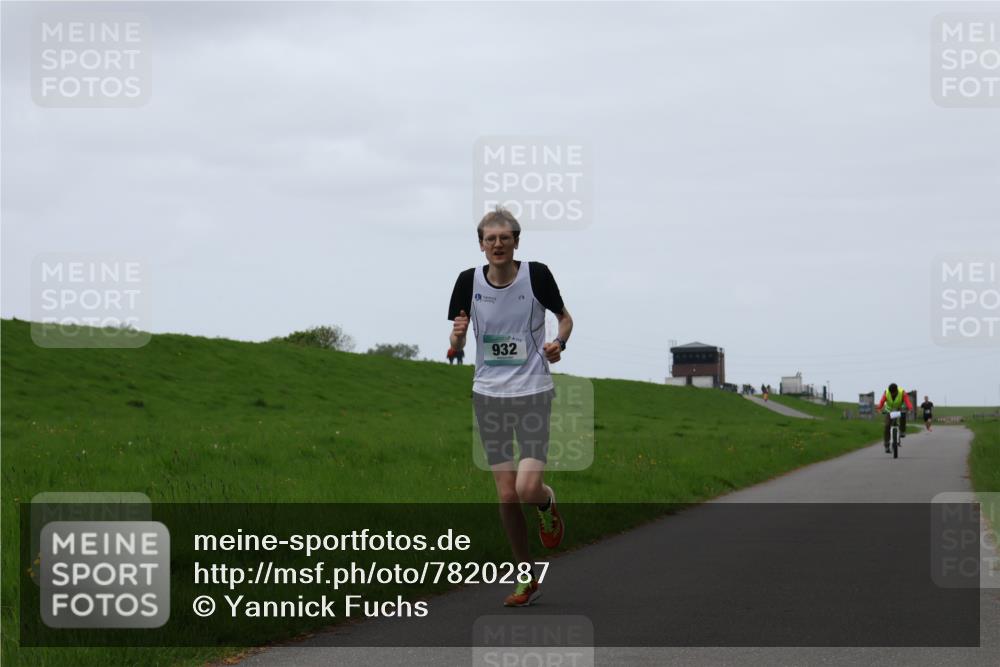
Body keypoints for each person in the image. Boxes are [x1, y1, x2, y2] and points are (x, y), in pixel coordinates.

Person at [448, 205, 573, 607]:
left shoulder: (536, 275)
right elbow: (459, 343)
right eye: (490, 239)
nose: (497, 244)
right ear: (481, 245)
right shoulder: (467, 282)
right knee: (505, 495)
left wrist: (559, 342)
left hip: (533, 390)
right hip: (489, 395)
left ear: (516, 241)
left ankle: (546, 504)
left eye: (505, 238)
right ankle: (526, 574)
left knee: (527, 487)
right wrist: (457, 338)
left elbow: (564, 318)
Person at [876, 383, 914, 453]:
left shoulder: (902, 392)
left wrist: (910, 409)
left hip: (899, 409)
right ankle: (886, 445)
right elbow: (881, 402)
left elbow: (907, 402)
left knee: (903, 415)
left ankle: (902, 431)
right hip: (889, 410)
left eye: (894, 393)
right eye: (891, 393)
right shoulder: (886, 393)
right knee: (887, 426)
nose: (892, 394)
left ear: (896, 390)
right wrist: (879, 408)